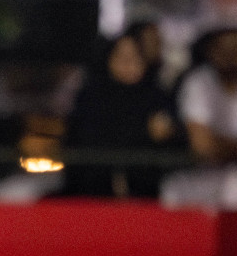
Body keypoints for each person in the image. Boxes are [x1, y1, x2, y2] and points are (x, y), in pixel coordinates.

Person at [161, 27, 237, 210]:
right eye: (223, 48)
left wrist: (225, 146)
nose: (231, 55)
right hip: (207, 172)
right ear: (211, 52)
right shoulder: (198, 81)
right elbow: (201, 145)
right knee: (172, 190)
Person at [61, 32, 179, 198]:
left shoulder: (157, 98)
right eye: (121, 56)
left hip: (145, 192)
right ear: (108, 59)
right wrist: (143, 131)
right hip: (91, 191)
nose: (128, 63)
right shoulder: (91, 97)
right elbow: (84, 143)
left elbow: (172, 144)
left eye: (135, 56)